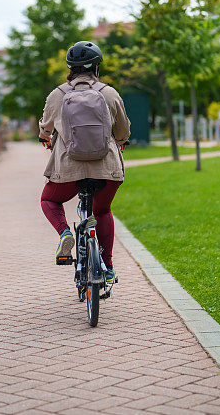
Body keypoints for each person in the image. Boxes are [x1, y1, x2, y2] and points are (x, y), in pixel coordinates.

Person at [38, 41, 130, 284]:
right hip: (106, 171)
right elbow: (122, 130)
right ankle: (107, 265)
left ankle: (65, 233)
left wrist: (45, 138)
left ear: (70, 68)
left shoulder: (57, 96)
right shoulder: (109, 93)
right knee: (102, 211)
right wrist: (121, 141)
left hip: (70, 171)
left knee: (49, 199)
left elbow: (45, 128)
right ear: (96, 68)